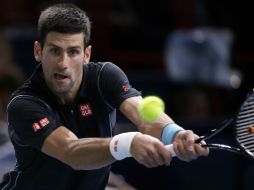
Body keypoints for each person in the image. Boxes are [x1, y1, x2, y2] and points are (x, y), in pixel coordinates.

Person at [0, 3, 208, 190]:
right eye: (55, 51)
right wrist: (129, 142)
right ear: (38, 51)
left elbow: (141, 113)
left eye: (73, 52)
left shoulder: (104, 76)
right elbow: (71, 152)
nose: (63, 63)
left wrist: (175, 134)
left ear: (87, 55)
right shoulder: (24, 104)